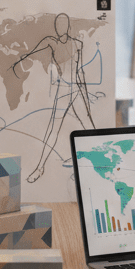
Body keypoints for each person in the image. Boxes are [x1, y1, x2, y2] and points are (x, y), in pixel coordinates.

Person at [10, 13, 95, 183]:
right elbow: (31, 52)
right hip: (63, 91)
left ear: (68, 26)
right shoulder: (51, 41)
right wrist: (19, 61)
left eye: (63, 24)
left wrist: (85, 96)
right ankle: (39, 168)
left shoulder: (77, 44)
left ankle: (102, 162)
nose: (60, 27)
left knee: (89, 127)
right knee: (52, 131)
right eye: (57, 24)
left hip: (76, 90)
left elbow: (80, 72)